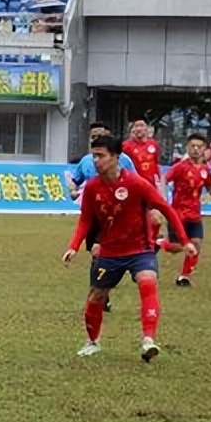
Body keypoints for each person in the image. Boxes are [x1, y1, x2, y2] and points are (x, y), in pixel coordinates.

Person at [62, 134, 194, 362]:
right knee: (96, 296)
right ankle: (92, 342)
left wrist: (184, 240)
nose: (96, 161)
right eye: (94, 156)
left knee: (147, 281)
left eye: (101, 156)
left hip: (140, 249)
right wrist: (73, 246)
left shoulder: (136, 183)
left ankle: (148, 340)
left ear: (116, 157)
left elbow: (165, 208)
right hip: (109, 252)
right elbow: (85, 219)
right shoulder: (92, 187)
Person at [69, 122, 137, 312]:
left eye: (100, 135)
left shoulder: (124, 160)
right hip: (94, 216)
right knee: (97, 254)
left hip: (118, 216)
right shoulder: (86, 161)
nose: (96, 138)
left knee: (111, 254)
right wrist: (73, 191)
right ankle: (99, 294)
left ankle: (102, 291)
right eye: (93, 136)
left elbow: (135, 183)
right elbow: (74, 182)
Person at [159, 133, 211, 286]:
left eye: (199, 146)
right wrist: (162, 194)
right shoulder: (180, 167)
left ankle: (184, 276)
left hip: (195, 215)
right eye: (193, 146)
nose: (196, 149)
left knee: (196, 244)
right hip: (178, 214)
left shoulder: (205, 170)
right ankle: (158, 243)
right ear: (187, 148)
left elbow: (210, 189)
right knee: (176, 248)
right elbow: (165, 178)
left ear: (204, 149)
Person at [122, 118, 164, 242]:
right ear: (132, 130)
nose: (139, 129)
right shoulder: (126, 146)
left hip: (151, 186)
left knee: (156, 216)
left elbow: (156, 164)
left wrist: (159, 184)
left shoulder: (153, 145)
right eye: (136, 126)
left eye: (141, 126)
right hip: (134, 187)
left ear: (147, 129)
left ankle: (152, 240)